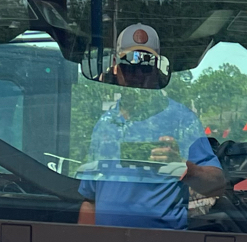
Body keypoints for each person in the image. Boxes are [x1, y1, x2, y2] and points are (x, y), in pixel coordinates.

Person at [77, 24, 229, 230]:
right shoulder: (105, 124)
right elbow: (90, 199)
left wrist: (184, 167)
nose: (137, 74)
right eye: (128, 64)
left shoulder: (181, 120)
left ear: (158, 69)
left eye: (146, 65)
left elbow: (216, 184)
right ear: (115, 66)